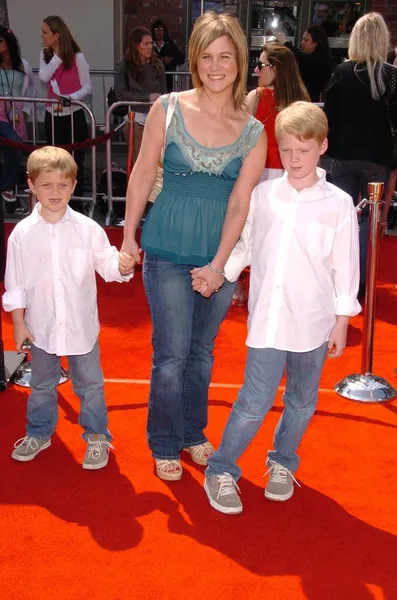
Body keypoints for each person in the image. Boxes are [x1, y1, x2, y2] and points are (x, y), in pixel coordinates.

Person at [193, 101, 360, 515]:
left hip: (314, 322)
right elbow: (245, 245)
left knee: (303, 401)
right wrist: (219, 273)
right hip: (268, 317)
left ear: (323, 146)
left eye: (303, 149)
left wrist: (341, 321)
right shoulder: (264, 195)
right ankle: (221, 469)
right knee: (255, 398)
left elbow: (346, 265)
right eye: (286, 150)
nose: (294, 159)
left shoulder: (338, 204)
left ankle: (283, 461)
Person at [120, 11, 266, 482]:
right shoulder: (168, 107)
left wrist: (219, 266)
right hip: (164, 248)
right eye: (207, 56)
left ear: (239, 60)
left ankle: (192, 432)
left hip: (217, 258)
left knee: (202, 353)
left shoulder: (254, 130)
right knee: (171, 354)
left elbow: (242, 201)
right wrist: (127, 235)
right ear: (195, 60)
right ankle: (163, 441)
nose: (216, 65)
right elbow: (143, 173)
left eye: (225, 56)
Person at [3, 146, 134, 469]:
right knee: (42, 385)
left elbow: (107, 266)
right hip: (41, 328)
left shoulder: (88, 229)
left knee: (90, 386)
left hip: (81, 327)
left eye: (63, 184)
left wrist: (124, 265)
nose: (55, 192)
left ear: (74, 185)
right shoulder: (21, 235)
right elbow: (15, 283)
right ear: (31, 185)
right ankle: (39, 431)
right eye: (46, 185)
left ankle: (97, 436)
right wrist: (19, 323)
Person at [324, 12, 397, 298]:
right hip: (376, 159)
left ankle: (337, 280)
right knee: (368, 222)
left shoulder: (342, 73)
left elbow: (328, 116)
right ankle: (361, 283)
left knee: (341, 219)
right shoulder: (391, 76)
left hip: (342, 157)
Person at [232, 42, 310, 306]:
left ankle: (255, 286)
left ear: (276, 69)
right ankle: (256, 287)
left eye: (261, 64)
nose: (256, 70)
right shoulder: (294, 100)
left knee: (258, 232)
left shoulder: (261, 98)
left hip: (277, 177)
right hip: (273, 176)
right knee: (264, 233)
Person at [39, 15, 91, 207]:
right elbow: (44, 77)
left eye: (45, 32)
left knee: (75, 162)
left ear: (57, 35)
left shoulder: (78, 57)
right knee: (53, 162)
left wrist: (71, 98)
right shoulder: (46, 56)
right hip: (52, 115)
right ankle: (55, 202)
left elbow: (87, 87)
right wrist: (57, 57)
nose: (42, 36)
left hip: (73, 115)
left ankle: (76, 203)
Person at [115, 27, 167, 164]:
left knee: (157, 161)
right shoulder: (123, 66)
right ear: (135, 45)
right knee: (139, 160)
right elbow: (121, 94)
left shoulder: (158, 65)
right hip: (135, 118)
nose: (150, 47)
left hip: (155, 118)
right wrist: (147, 97)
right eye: (146, 44)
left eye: (151, 43)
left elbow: (163, 92)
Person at [0, 26, 36, 214]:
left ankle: (9, 194)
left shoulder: (22, 64)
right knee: (13, 143)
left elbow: (32, 87)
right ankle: (6, 188)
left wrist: (28, 109)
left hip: (16, 114)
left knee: (15, 151)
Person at [277, 25, 333, 102]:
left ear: (316, 43)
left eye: (306, 40)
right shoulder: (310, 58)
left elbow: (304, 58)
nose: (302, 43)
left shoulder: (320, 60)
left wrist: (286, 43)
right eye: (302, 39)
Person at [151, 19, 185, 92]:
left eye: (161, 29)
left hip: (167, 77)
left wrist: (171, 61)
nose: (159, 32)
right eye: (156, 29)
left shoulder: (169, 44)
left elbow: (181, 58)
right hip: (152, 77)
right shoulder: (149, 44)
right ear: (153, 31)